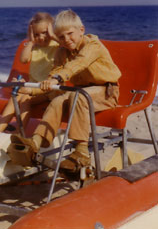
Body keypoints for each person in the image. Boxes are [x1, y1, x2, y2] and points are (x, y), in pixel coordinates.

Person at [9, 9, 121, 171]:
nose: (66, 40)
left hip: (106, 92)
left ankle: (81, 151)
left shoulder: (93, 45)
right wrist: (31, 90)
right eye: (61, 37)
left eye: (70, 34)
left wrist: (57, 78)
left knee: (79, 97)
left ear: (81, 30)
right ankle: (35, 143)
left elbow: (78, 63)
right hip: (81, 91)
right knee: (57, 100)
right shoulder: (61, 52)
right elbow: (53, 76)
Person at [0, 12, 59, 133]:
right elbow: (23, 59)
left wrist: (53, 35)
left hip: (49, 88)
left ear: (52, 30)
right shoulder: (35, 47)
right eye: (36, 34)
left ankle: (20, 131)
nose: (41, 37)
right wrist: (30, 41)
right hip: (33, 87)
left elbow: (69, 48)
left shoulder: (57, 46)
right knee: (16, 95)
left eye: (45, 33)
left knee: (24, 98)